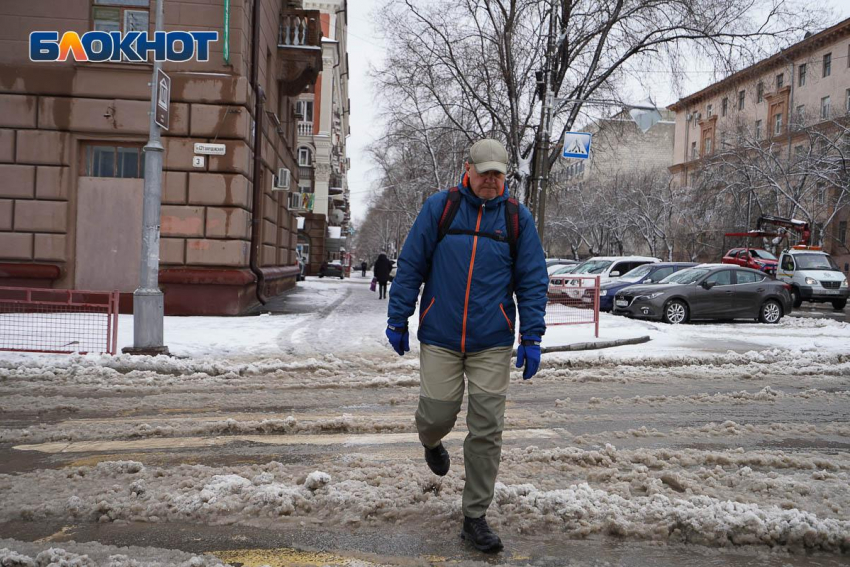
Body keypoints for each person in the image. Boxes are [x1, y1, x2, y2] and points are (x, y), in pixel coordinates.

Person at [385, 139, 548, 553]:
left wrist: (531, 335)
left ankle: (474, 516)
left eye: (498, 174)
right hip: (440, 334)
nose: (490, 181)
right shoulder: (441, 208)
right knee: (438, 410)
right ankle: (431, 442)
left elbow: (532, 281)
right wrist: (398, 317)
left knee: (487, 427)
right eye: (484, 173)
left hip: (491, 340)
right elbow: (411, 266)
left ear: (505, 176)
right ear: (468, 170)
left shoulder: (517, 219)